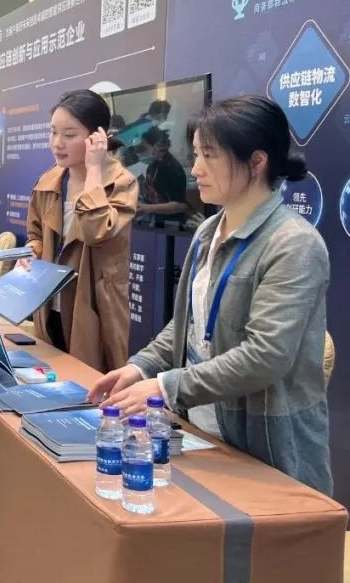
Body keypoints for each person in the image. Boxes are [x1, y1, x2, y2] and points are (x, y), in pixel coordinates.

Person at [89, 95, 332, 494]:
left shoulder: (294, 244)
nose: (196, 169)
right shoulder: (208, 231)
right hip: (201, 434)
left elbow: (266, 356)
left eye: (209, 156)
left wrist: (167, 387)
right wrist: (141, 367)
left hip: (266, 450)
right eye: (196, 154)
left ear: (256, 162)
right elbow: (187, 325)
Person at [21, 89, 137, 373]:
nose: (57, 143)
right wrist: (32, 252)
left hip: (91, 307)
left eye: (69, 135)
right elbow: (35, 234)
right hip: (50, 302)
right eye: (53, 132)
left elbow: (96, 231)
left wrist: (94, 170)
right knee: (49, 378)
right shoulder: (49, 181)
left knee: (87, 383)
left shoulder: (121, 183)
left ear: (98, 137)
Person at [135, 127, 190, 226]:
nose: (142, 152)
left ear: (156, 146)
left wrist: (147, 208)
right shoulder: (153, 165)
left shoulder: (172, 169)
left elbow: (181, 206)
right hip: (156, 220)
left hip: (172, 224)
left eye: (145, 148)